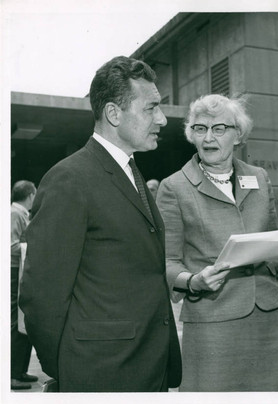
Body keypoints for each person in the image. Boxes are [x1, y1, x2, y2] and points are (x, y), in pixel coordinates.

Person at [19, 56, 181, 392]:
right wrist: (67, 367)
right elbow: (41, 296)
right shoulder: (70, 179)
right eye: (151, 108)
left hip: (147, 367)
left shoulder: (131, 171)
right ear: (113, 113)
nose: (162, 119)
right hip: (100, 374)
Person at [156, 94, 278, 391]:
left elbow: (276, 258)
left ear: (237, 134)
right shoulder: (174, 187)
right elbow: (165, 262)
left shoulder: (259, 177)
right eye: (200, 128)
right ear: (191, 134)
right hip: (211, 322)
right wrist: (193, 281)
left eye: (219, 129)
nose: (208, 138)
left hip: (266, 321)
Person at [10, 180, 37, 390]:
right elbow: (10, 246)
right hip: (12, 273)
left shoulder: (21, 214)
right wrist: (36, 246)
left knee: (23, 319)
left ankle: (19, 370)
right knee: (16, 322)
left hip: (20, 271)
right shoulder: (14, 214)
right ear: (30, 195)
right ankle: (12, 374)